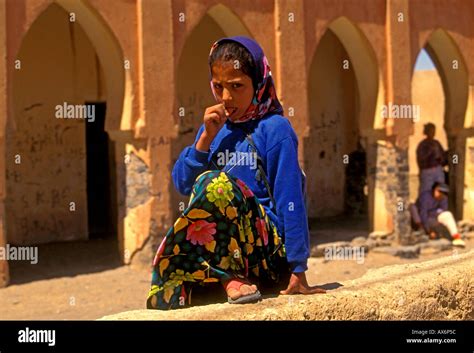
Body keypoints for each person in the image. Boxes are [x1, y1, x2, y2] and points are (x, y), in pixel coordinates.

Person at [146, 36, 326, 310]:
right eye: (218, 87)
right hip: (226, 250)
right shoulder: (215, 128)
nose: (226, 97)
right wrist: (205, 138)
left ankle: (226, 278)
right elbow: (182, 184)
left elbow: (291, 200)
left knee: (216, 183)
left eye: (237, 86)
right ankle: (224, 279)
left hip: (267, 251)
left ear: (258, 83)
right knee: (200, 198)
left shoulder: (275, 129)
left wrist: (298, 268)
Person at [413, 182, 465, 247]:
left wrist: (433, 213)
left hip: (433, 217)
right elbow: (423, 214)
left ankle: (456, 237)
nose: (440, 193)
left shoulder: (443, 197)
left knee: (448, 214)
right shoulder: (425, 197)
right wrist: (428, 231)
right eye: (439, 191)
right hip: (422, 219)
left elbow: (443, 210)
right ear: (434, 190)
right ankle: (422, 231)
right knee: (411, 207)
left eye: (442, 192)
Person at [416, 123, 448, 194]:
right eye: (431, 131)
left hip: (438, 171)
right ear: (427, 132)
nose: (433, 133)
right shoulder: (422, 145)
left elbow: (442, 158)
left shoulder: (436, 143)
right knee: (426, 194)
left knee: (440, 193)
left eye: (434, 131)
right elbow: (421, 161)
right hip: (427, 172)